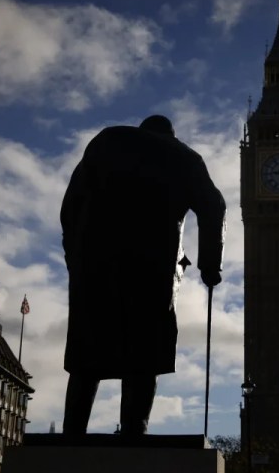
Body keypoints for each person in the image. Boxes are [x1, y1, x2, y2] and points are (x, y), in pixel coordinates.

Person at [60, 114, 226, 437]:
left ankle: (72, 434)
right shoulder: (185, 158)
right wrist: (209, 264)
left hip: (95, 266)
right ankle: (135, 431)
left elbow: (70, 207)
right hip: (152, 270)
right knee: (144, 355)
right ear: (171, 135)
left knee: (88, 354)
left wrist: (75, 258)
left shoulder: (106, 141)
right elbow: (214, 206)